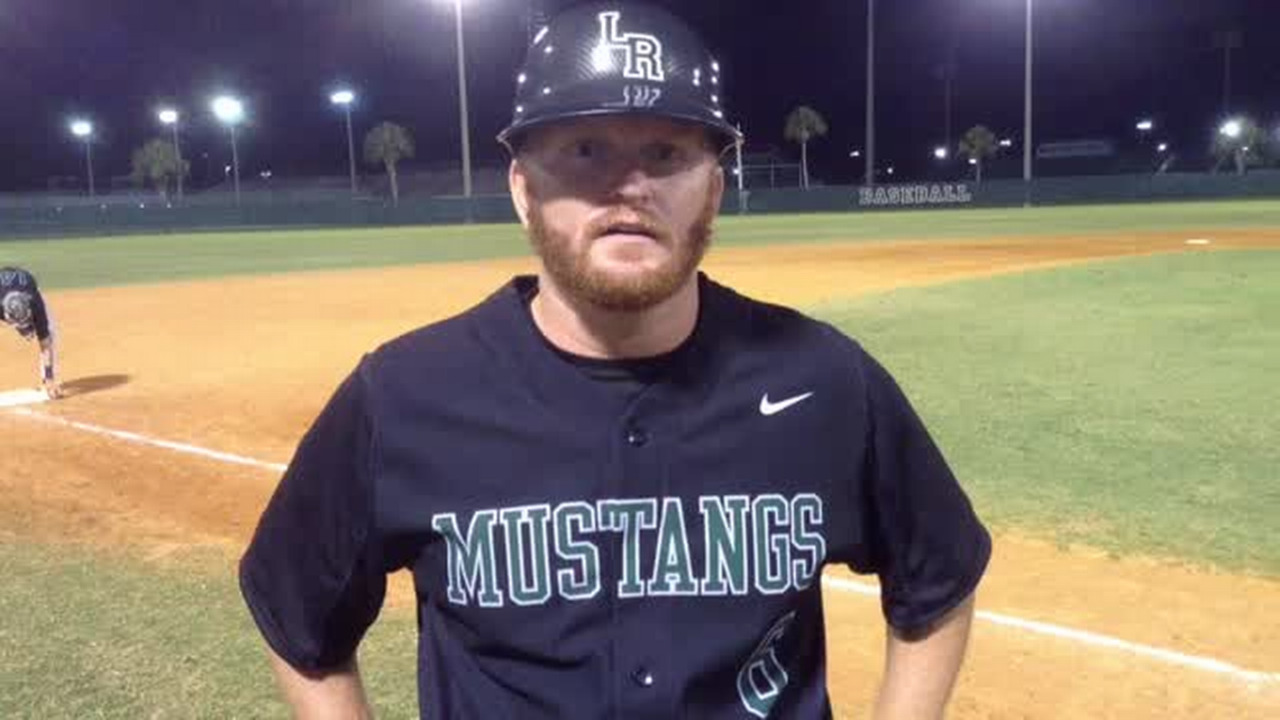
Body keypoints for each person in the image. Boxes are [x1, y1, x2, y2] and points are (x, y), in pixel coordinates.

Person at [240, 3, 991, 718]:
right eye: (585, 150)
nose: (629, 187)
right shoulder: (403, 394)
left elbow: (941, 578)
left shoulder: (823, 379)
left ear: (715, 188)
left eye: (666, 153)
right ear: (522, 189)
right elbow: (296, 608)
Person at [1, 266, 63, 399]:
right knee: (27, 332)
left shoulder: (35, 302)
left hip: (25, 284)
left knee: (50, 332)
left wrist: (49, 377)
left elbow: (45, 343)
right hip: (6, 291)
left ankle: (46, 381)